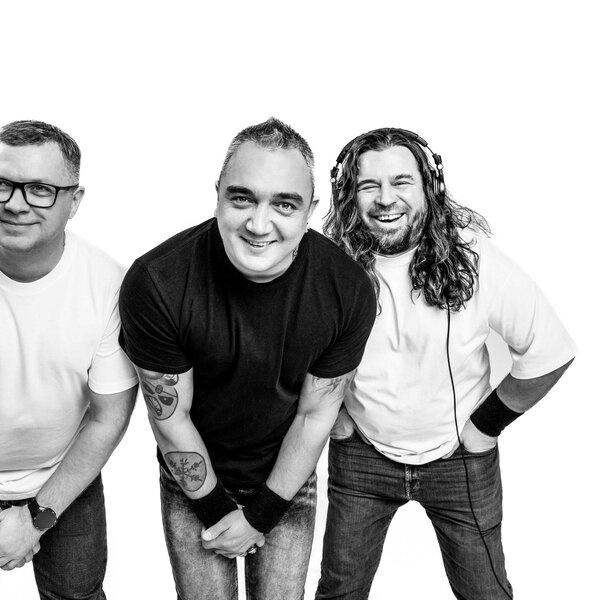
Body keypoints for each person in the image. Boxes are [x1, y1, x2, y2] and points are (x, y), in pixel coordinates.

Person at [118, 117, 376, 600]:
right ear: (217, 194)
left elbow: (315, 414)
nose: (259, 224)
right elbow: (171, 418)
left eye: (284, 204)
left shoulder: (348, 289)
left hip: (287, 476)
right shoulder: (158, 281)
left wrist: (261, 516)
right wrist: (218, 511)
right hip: (192, 479)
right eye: (242, 198)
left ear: (311, 210)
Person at [315, 127, 576, 600]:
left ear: (429, 186)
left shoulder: (474, 259)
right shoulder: (325, 263)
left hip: (460, 459)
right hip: (362, 457)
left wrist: (486, 426)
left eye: (401, 182)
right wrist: (336, 420)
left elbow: (550, 349)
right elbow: (289, 348)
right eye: (369, 185)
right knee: (340, 591)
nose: (385, 198)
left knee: (486, 593)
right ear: (348, 194)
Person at [0, 120, 138, 599]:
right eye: (2, 184)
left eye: (40, 189)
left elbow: (108, 418)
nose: (14, 203)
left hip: (62, 475)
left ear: (74, 201)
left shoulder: (109, 285)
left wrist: (38, 516)